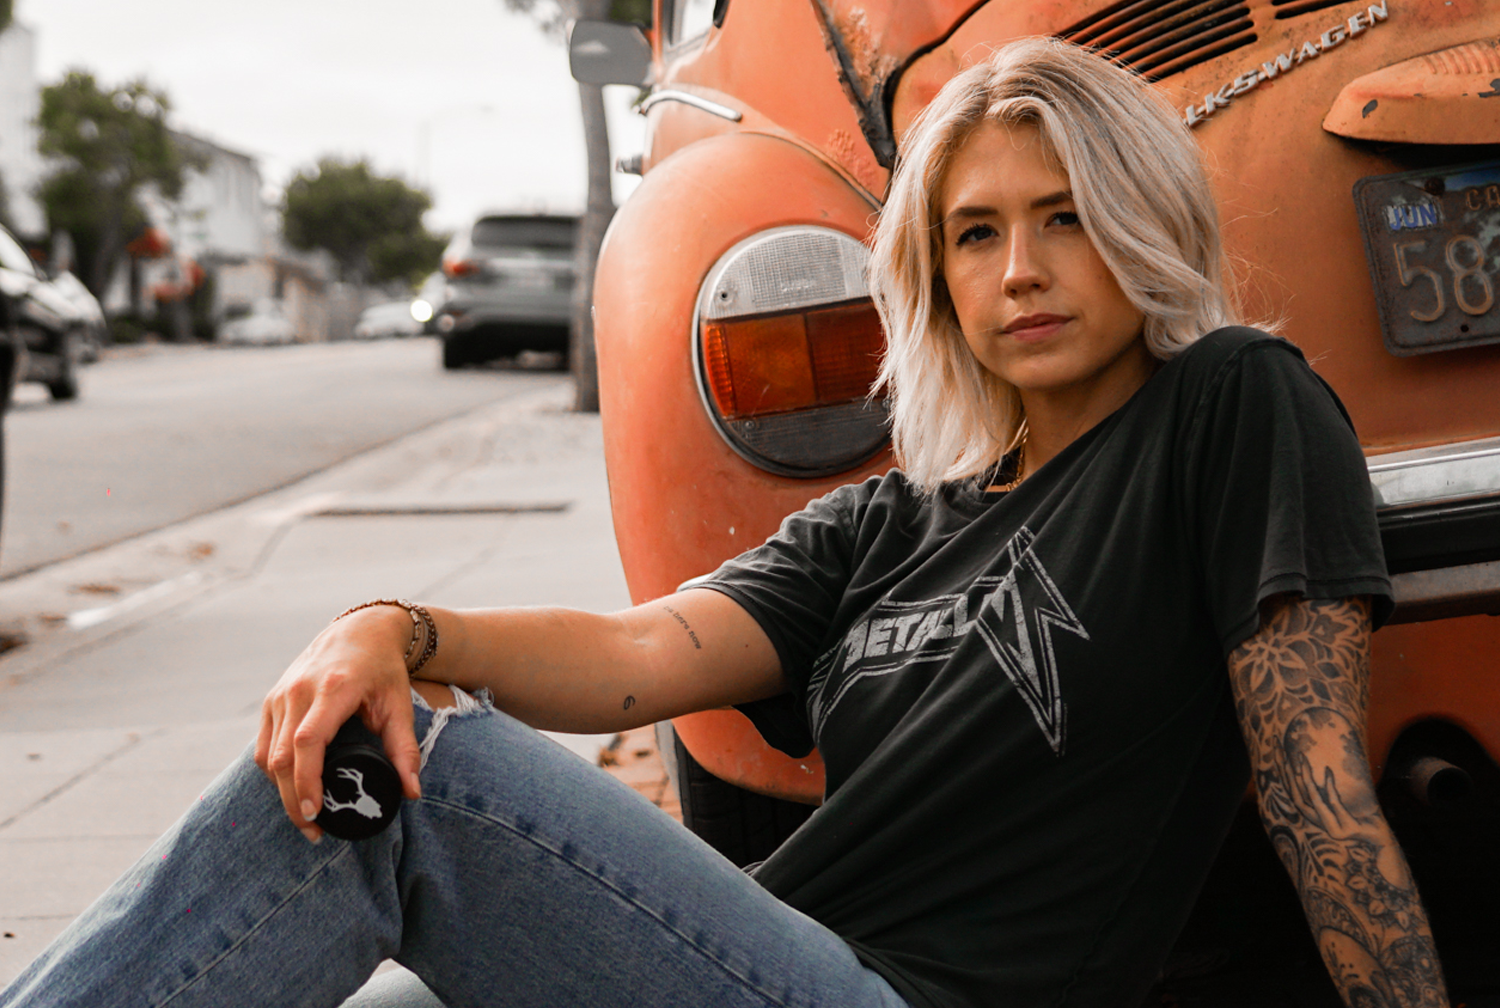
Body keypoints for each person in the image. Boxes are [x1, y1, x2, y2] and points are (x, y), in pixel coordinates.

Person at [1, 37, 1448, 1008]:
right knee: (356, 752)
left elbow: (1317, 790)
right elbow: (639, 651)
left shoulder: (1229, 407)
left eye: (1067, 216)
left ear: (1141, 221)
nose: (1023, 269)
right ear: (934, 278)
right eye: (976, 232)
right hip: (782, 958)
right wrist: (399, 626)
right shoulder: (890, 520)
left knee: (395, 779)